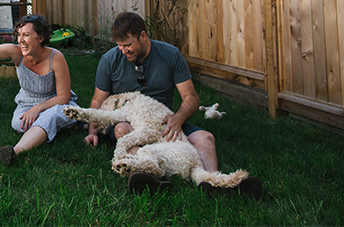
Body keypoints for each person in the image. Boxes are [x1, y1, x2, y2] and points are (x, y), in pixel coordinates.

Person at [84, 12, 261, 197]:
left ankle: (212, 182)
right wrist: (92, 131)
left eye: (128, 45)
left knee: (206, 138)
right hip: (129, 121)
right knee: (120, 130)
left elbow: (191, 97)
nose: (123, 51)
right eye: (119, 46)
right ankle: (147, 176)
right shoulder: (109, 60)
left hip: (163, 120)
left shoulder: (170, 55)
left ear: (143, 36)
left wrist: (177, 119)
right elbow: (98, 99)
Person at [0, 14, 80, 166]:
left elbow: (63, 97)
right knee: (18, 124)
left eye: (26, 35)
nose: (20, 40)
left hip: (56, 104)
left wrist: (37, 109)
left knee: (51, 116)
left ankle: (14, 151)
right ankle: (67, 126)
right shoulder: (16, 52)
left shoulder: (56, 57)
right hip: (27, 103)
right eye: (19, 35)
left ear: (40, 38)